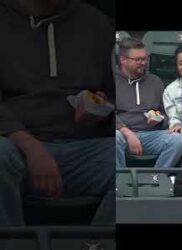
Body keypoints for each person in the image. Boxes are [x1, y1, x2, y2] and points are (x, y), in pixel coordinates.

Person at [0, 0, 115, 225]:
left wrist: (102, 110)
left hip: (84, 149)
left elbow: (118, 94)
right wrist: (31, 147)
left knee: (128, 165)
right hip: (14, 146)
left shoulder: (95, 22)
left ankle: (94, 245)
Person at [115, 39, 182, 169]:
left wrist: (158, 120)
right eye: (138, 60)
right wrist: (128, 134)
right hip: (122, 135)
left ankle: (155, 178)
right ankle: (121, 182)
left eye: (144, 59)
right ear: (123, 60)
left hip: (150, 135)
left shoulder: (155, 81)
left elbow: (165, 113)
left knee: (177, 140)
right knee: (113, 137)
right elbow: (106, 113)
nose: (143, 63)